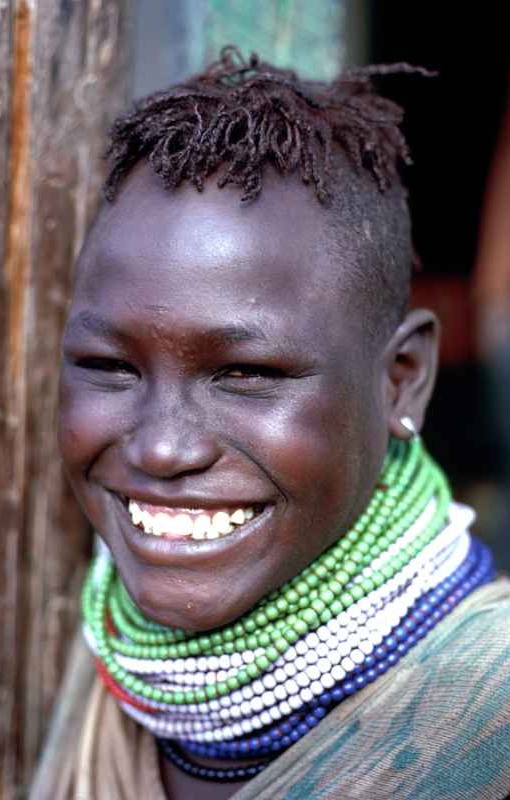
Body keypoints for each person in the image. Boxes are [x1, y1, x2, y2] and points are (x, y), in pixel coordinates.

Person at [34, 48, 510, 799]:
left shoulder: (490, 715)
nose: (162, 447)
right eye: (109, 367)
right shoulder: (106, 644)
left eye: (246, 375)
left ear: (401, 380)